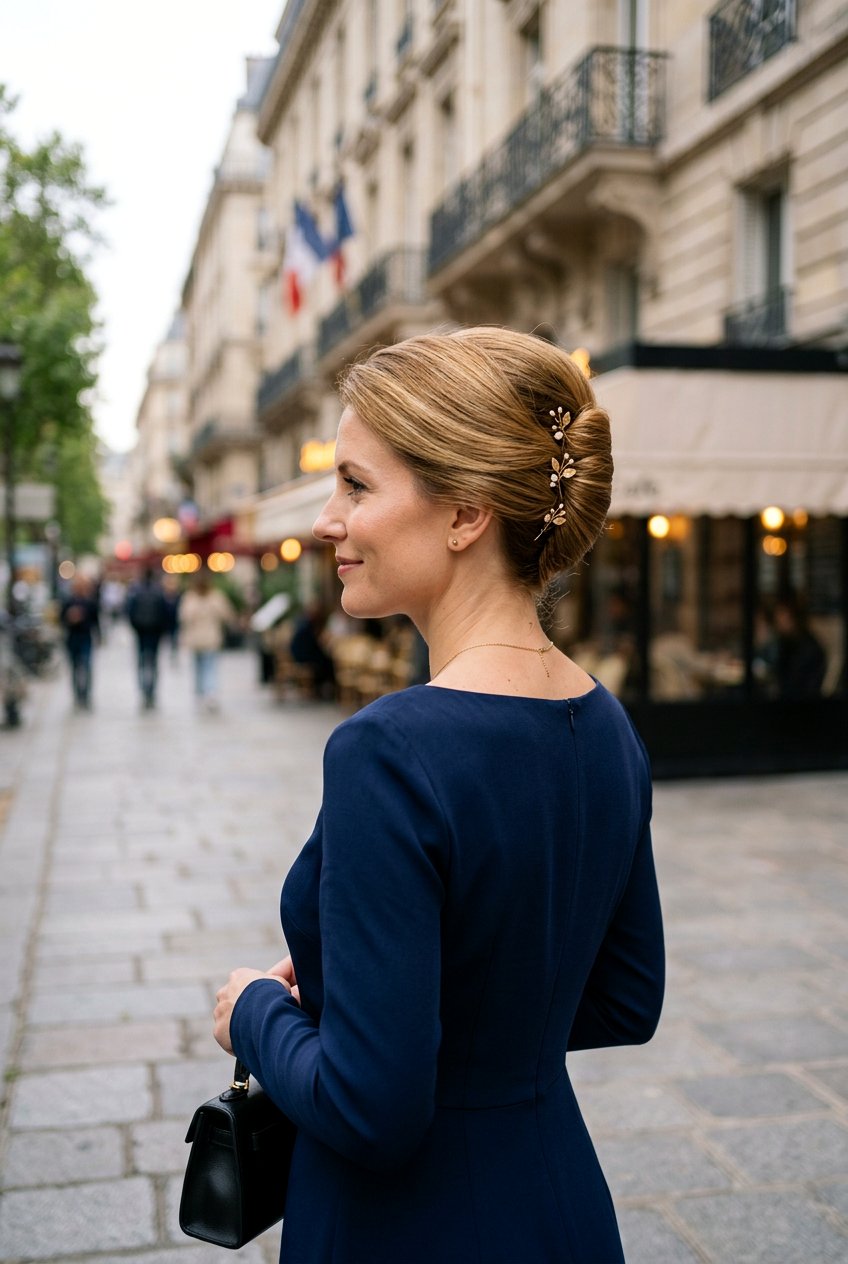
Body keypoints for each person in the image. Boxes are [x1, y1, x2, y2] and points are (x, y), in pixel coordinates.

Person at [212, 327, 665, 1263]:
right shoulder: (606, 721)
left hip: (405, 1226)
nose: (326, 520)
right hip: (560, 1206)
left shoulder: (389, 750)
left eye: (356, 485)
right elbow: (625, 998)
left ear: (464, 515)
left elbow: (372, 1107)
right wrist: (409, 1004)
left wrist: (254, 1011)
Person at [179, 570, 235, 711]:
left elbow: (183, 617)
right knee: (205, 667)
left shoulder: (198, 597)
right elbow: (227, 615)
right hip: (204, 639)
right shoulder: (204, 597)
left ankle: (206, 693)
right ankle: (206, 693)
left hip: (205, 639)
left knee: (206, 667)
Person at [126, 568, 171, 709]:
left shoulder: (136, 592)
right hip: (155, 633)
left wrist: (135, 627)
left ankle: (143, 690)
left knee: (141, 662)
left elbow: (129, 611)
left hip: (141, 632)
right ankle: (151, 690)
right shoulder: (159, 592)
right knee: (153, 662)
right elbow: (166, 612)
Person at [59, 574, 100, 710]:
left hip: (85, 638)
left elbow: (95, 620)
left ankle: (85, 694)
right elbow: (61, 619)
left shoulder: (90, 602)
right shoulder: (68, 602)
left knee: (86, 666)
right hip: (72, 639)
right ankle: (77, 693)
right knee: (74, 668)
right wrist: (69, 617)